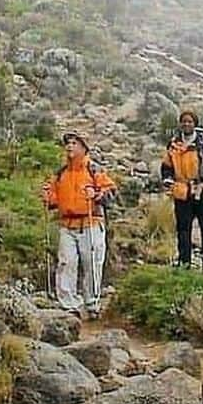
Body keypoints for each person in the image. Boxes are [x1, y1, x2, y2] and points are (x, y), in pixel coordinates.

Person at [41, 131, 117, 317]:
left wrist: (97, 195)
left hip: (91, 222)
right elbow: (54, 199)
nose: (69, 146)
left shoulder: (94, 170)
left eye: (74, 143)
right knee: (66, 262)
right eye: (67, 143)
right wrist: (47, 197)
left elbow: (111, 191)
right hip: (67, 225)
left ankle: (92, 303)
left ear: (84, 147)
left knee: (92, 263)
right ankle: (68, 304)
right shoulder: (60, 174)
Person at [161, 108, 203, 269]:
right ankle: (184, 263)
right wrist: (168, 179)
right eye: (184, 121)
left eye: (190, 121)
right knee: (183, 229)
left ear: (194, 124)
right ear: (180, 124)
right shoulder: (174, 144)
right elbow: (166, 166)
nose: (186, 124)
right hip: (182, 191)